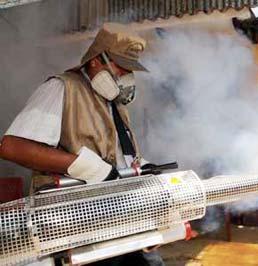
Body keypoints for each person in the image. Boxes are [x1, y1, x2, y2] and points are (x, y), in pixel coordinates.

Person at [0, 26, 164, 266]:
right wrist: (84, 167)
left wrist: (142, 171)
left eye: (130, 70)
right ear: (97, 61)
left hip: (119, 219)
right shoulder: (62, 88)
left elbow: (119, 159)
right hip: (76, 226)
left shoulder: (115, 104)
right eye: (121, 68)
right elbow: (11, 147)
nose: (126, 76)